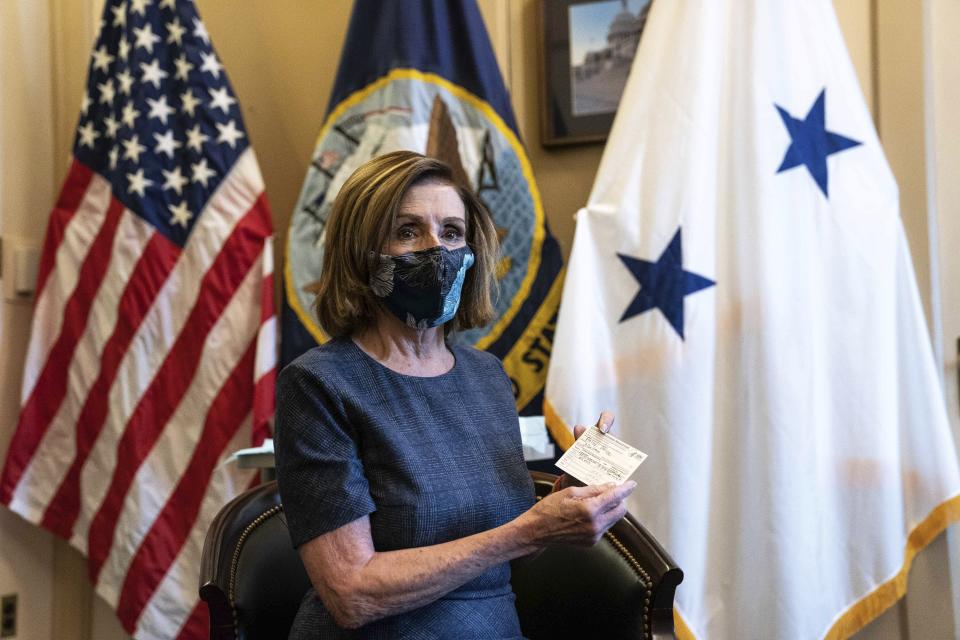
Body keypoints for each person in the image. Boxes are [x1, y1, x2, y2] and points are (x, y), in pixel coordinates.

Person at [275, 150, 636, 639]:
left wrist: (562, 503)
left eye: (451, 232)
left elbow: (500, 550)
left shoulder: (486, 376)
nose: (436, 250)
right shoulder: (317, 384)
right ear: (361, 253)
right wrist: (527, 529)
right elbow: (351, 593)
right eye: (407, 231)